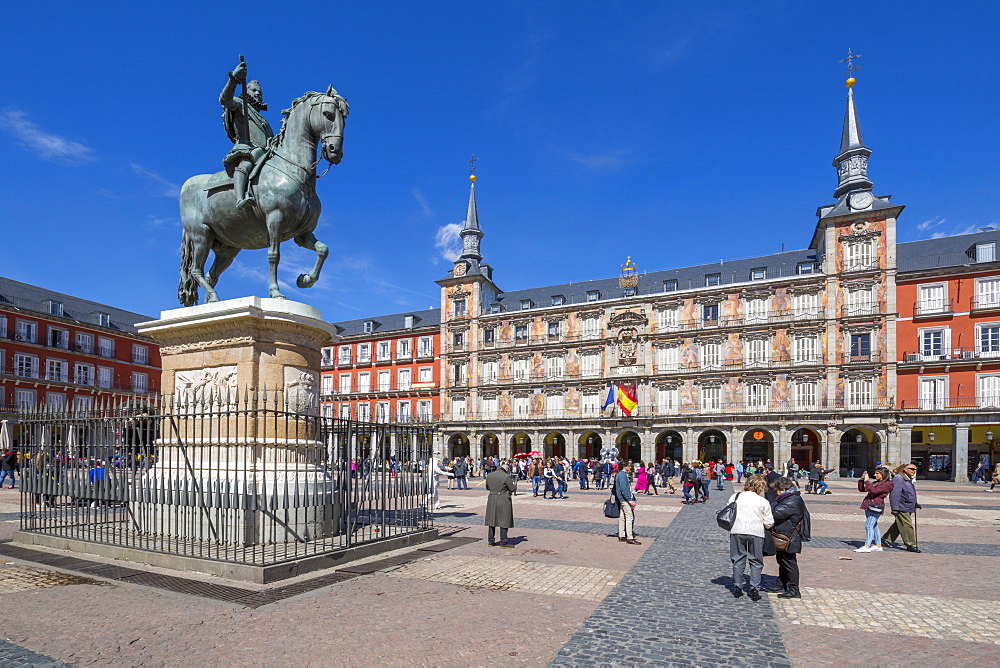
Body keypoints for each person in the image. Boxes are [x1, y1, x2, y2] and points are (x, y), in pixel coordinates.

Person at [219, 58, 275, 211]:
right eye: (254, 90)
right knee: (246, 164)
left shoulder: (263, 120)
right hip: (247, 149)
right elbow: (225, 100)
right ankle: (240, 198)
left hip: (265, 155)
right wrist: (235, 79)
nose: (258, 94)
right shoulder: (239, 104)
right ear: (246, 90)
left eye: (260, 92)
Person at [728, 475, 775, 601]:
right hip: (756, 533)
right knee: (756, 561)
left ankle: (738, 587)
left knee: (738, 559)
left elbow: (729, 513)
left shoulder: (735, 497)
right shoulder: (762, 501)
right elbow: (769, 522)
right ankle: (754, 588)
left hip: (737, 531)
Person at [764, 477, 809, 599]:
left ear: (783, 489)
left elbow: (775, 514)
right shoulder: (787, 498)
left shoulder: (792, 500)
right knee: (782, 562)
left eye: (776, 491)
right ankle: (781, 584)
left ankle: (794, 589)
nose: (775, 493)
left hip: (789, 538)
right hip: (783, 536)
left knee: (790, 563)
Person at [882, 463, 922, 552]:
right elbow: (895, 494)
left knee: (899, 523)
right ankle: (911, 544)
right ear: (905, 469)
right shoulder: (899, 478)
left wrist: (915, 503)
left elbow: (908, 493)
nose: (914, 471)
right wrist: (895, 508)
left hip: (907, 506)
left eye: (915, 469)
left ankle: (886, 539)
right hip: (901, 506)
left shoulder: (907, 478)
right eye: (912, 469)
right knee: (906, 525)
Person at [855, 466, 893, 553]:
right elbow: (862, 489)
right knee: (874, 526)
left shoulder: (887, 484)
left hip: (876, 506)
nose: (875, 475)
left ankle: (867, 546)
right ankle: (878, 545)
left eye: (877, 473)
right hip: (869, 505)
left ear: (883, 474)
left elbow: (874, 491)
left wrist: (867, 481)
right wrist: (861, 480)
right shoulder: (877, 482)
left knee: (868, 526)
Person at [485, 461, 516, 547]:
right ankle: (503, 542)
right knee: (504, 520)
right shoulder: (506, 476)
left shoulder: (490, 475)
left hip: (492, 498)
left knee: (492, 520)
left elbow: (487, 487)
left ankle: (490, 541)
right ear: (506, 469)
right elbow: (512, 488)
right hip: (503, 498)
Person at [613, 461, 640, 544]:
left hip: (622, 499)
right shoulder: (623, 475)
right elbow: (624, 489)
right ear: (624, 466)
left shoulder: (620, 474)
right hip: (625, 499)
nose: (630, 467)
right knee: (629, 517)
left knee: (622, 517)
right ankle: (630, 537)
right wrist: (629, 500)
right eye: (629, 465)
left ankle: (622, 535)